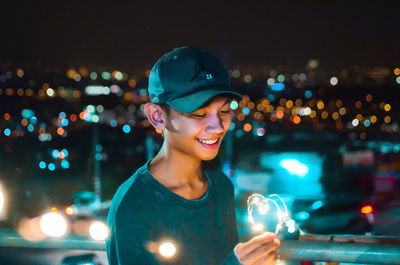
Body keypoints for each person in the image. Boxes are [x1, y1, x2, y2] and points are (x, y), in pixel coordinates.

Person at [106, 47, 280, 265]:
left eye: (224, 111)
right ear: (157, 117)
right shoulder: (134, 206)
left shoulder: (221, 186)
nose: (217, 127)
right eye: (199, 113)